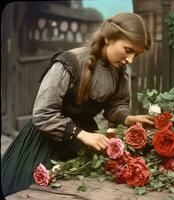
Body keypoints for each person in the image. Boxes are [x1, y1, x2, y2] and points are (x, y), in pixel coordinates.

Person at [1, 12, 154, 196]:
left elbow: (115, 106)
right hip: (44, 141)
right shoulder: (69, 63)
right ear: (109, 38)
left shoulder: (121, 71)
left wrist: (128, 118)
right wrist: (81, 134)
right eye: (128, 50)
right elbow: (43, 114)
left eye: (135, 54)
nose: (130, 60)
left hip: (85, 142)